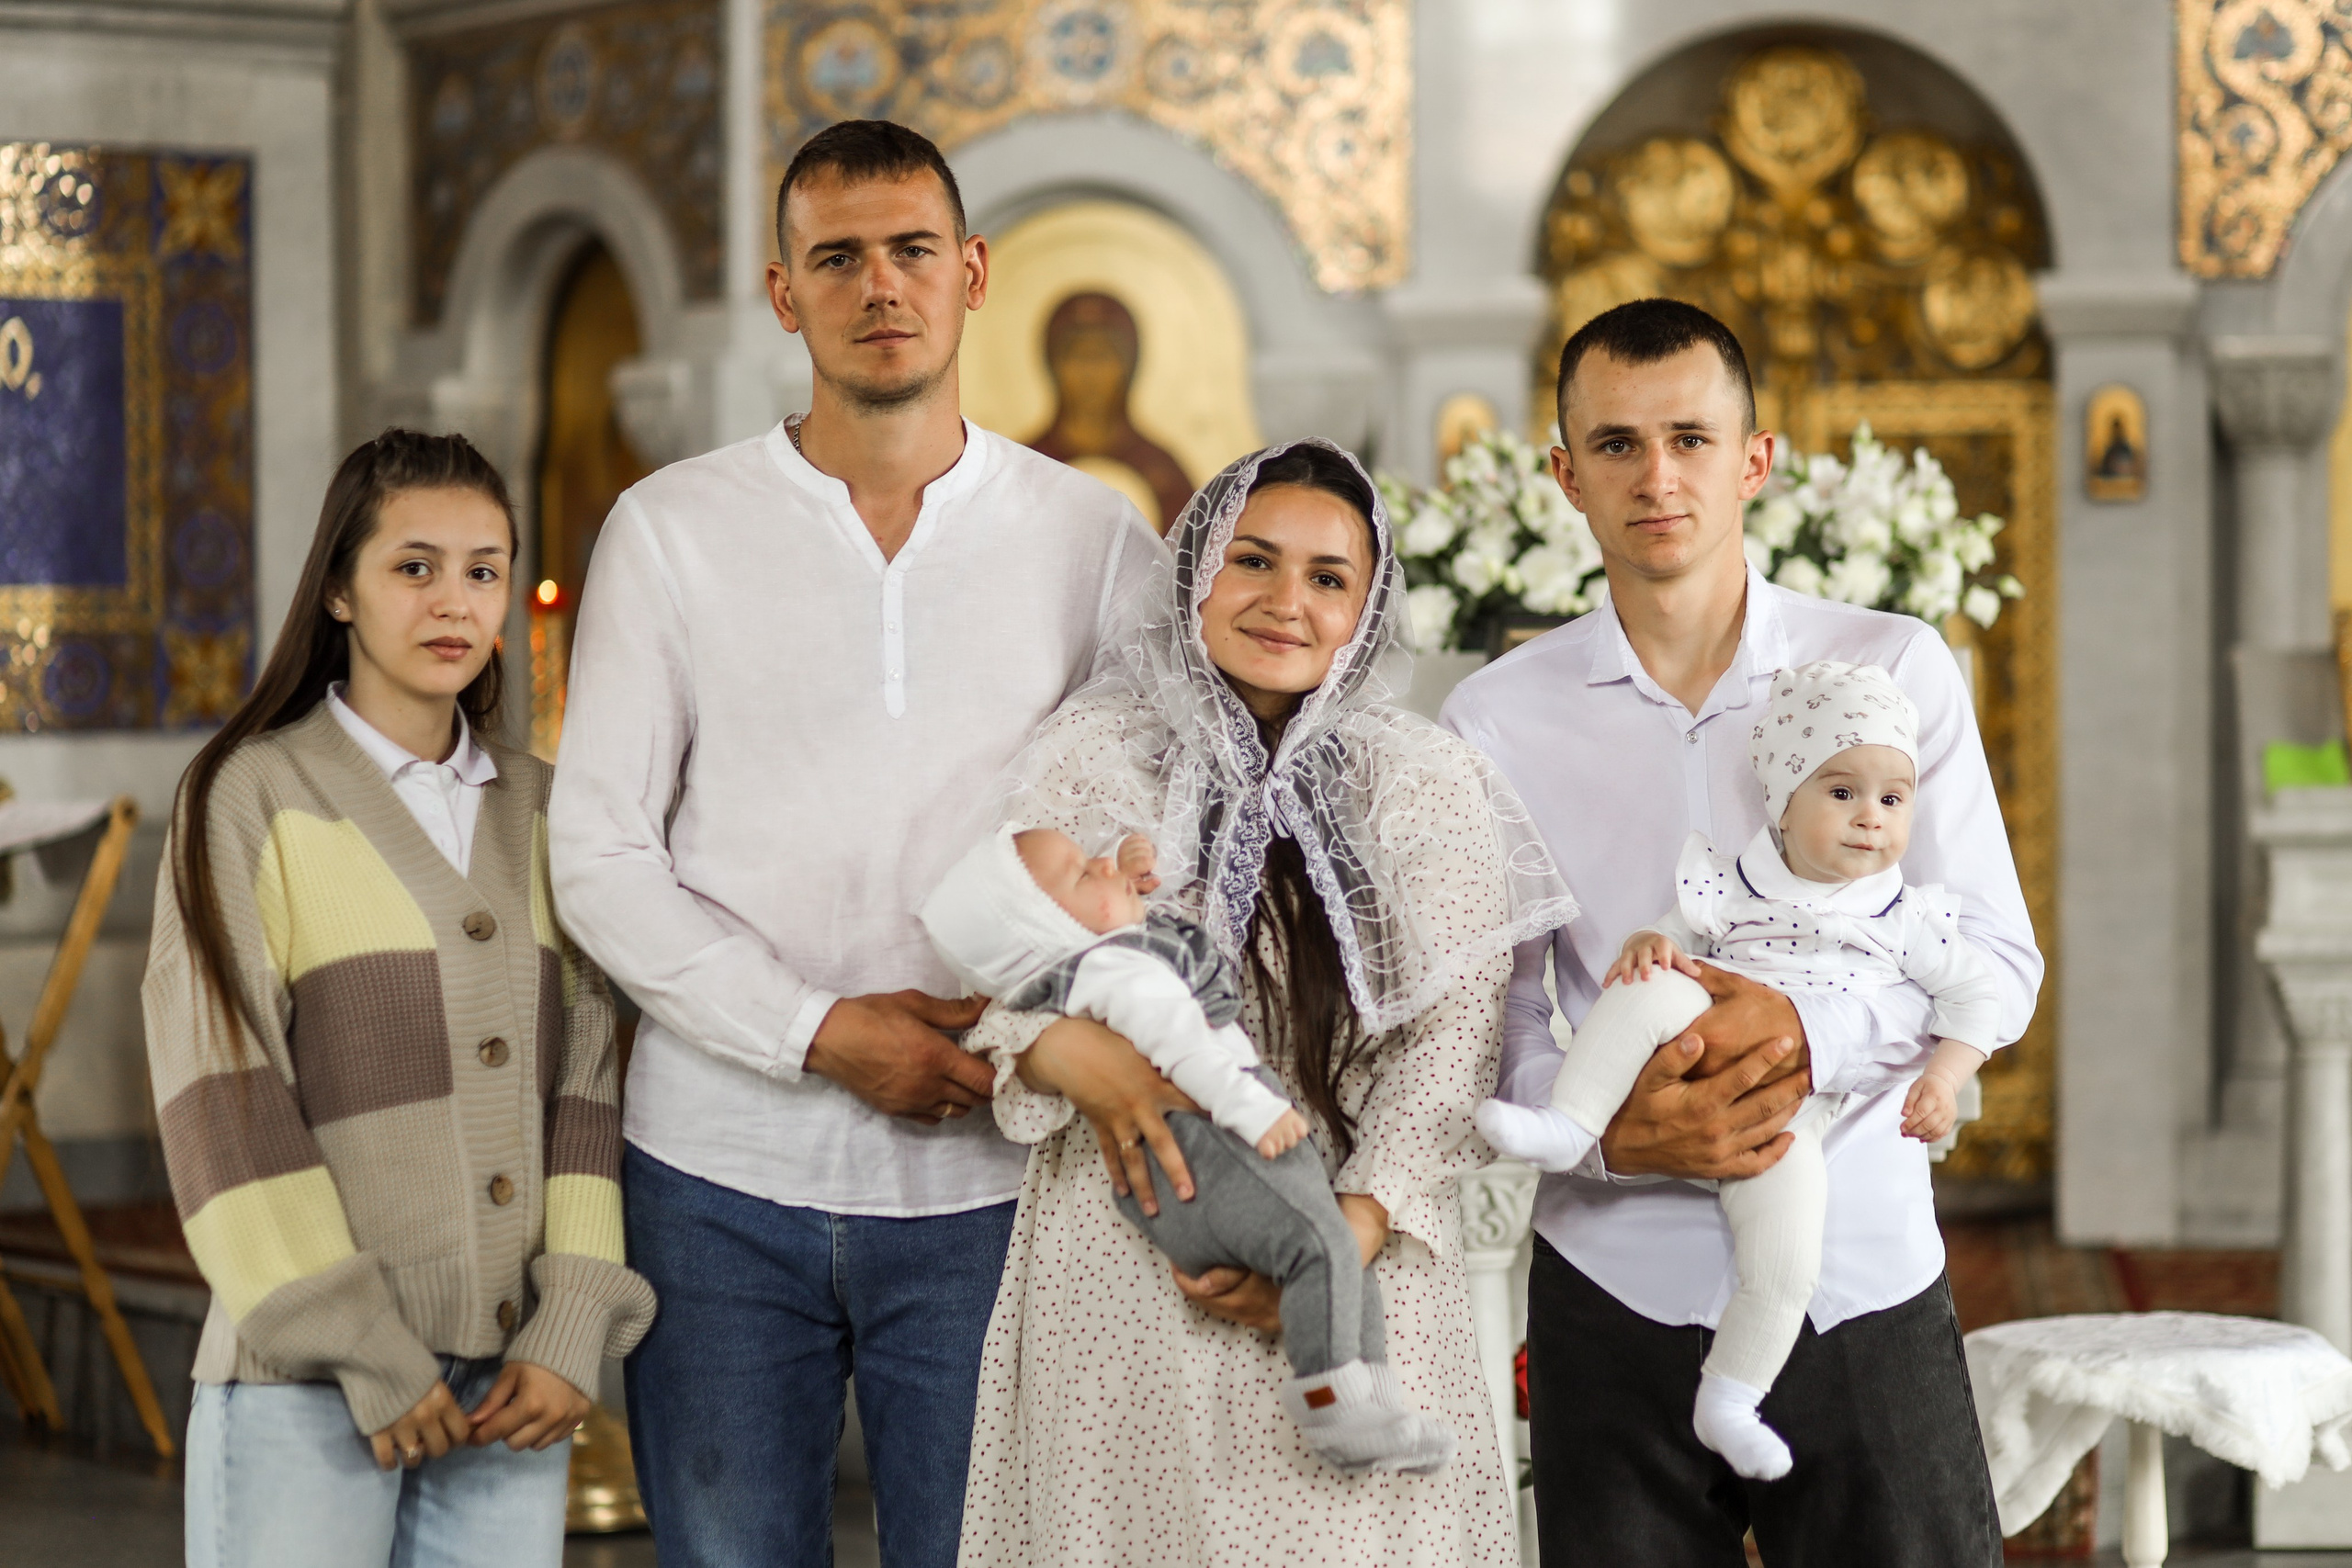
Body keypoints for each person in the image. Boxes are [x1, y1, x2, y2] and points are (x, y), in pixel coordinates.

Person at [544, 119, 1160, 1568]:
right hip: (716, 1175)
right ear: (783, 292)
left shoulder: (1094, 539)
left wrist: (1025, 1032)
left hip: (995, 1180)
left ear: (973, 272)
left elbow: (1148, 857)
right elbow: (602, 853)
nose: (878, 285)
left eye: (909, 251)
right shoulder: (671, 530)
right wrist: (820, 1029)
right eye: (838, 258)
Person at [1442, 298, 2041, 1566]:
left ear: (1753, 459)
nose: (1656, 476)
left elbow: (1993, 956)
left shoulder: (1894, 664)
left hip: (1861, 1269)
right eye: (1614, 445)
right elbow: (1481, 1021)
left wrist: (1805, 1030)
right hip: (1613, 1284)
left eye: (1691, 438)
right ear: (1564, 475)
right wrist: (1609, 1133)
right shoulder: (1495, 717)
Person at [954, 439, 1577, 1567]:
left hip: (1355, 1244)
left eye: (1328, 578)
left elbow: (1459, 1030)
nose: (1286, 602)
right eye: (1253, 561)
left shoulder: (1421, 776)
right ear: (1195, 570)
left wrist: (1357, 1223)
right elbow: (1004, 971)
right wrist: (1062, 1055)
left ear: (1368, 604)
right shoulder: (1093, 752)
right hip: (1129, 1249)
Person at [142, 430, 653, 1568]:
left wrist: (571, 1327)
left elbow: (585, 1091)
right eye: (413, 567)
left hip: (509, 1392)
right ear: (339, 587)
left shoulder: (544, 810)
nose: (454, 603)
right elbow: (222, 1100)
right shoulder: (246, 796)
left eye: (483, 570)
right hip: (304, 1386)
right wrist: (366, 1348)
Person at [1476, 660, 1999, 1481]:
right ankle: (1569, 1123)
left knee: (1788, 1263)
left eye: (1893, 800)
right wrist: (1652, 946)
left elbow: (1981, 995)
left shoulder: (1906, 919)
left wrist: (1945, 1075)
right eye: (1842, 793)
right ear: (1784, 802)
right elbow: (1673, 931)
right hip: (1691, 1055)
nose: (1872, 818)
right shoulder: (1737, 880)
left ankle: (1729, 1396)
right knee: (1649, 992)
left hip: (1789, 1127)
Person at [920, 823, 1456, 1475]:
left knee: (1339, 1253)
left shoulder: (1094, 963)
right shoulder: (1114, 968)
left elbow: (1122, 912)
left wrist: (1120, 872)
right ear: (1046, 932)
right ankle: (1334, 1407)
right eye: (1087, 873)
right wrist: (1254, 1111)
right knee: (1318, 1247)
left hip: (1204, 1137)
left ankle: (1369, 1401)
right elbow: (1182, 1044)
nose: (1101, 859)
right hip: (1208, 1135)